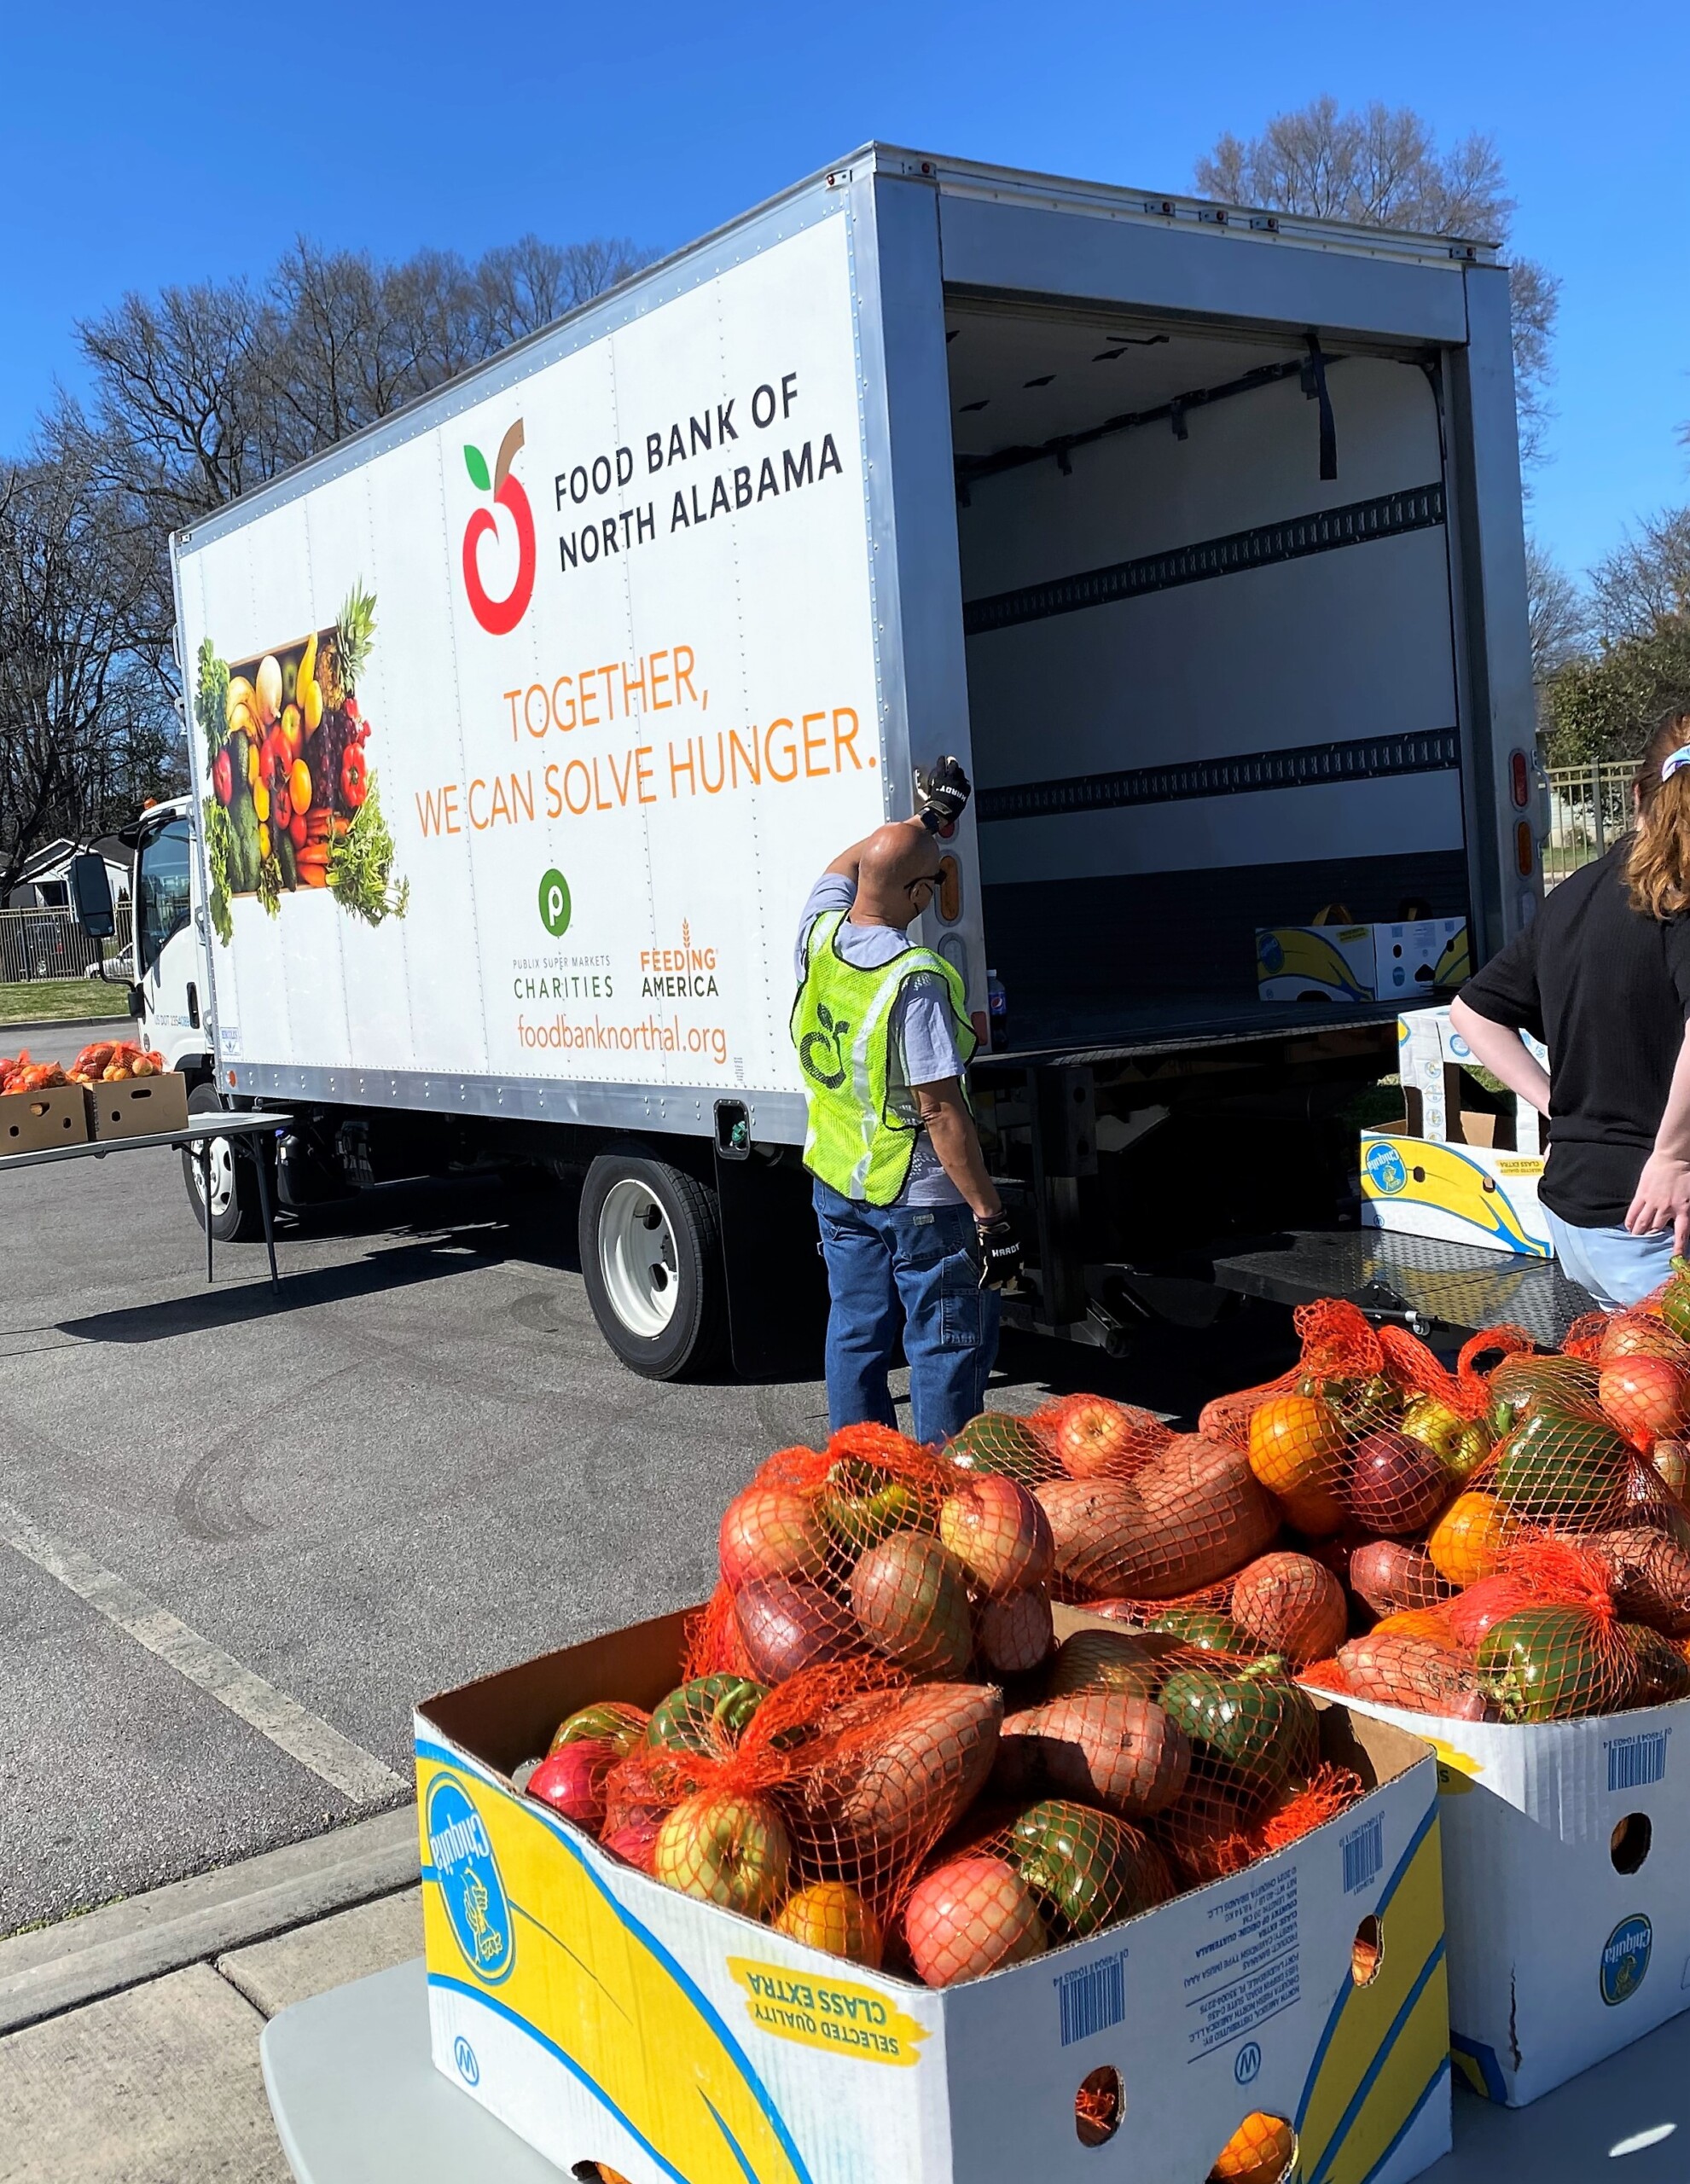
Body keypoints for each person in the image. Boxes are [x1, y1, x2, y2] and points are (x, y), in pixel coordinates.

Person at [793, 758, 1021, 1443]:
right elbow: (940, 1111)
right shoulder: (912, 978)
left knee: (856, 1334)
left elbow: (847, 863)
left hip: (838, 1182)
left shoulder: (819, 933)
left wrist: (923, 822)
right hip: (918, 1198)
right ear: (921, 893)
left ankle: (863, 1480)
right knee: (944, 1346)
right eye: (928, 885)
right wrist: (991, 1216)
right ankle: (943, 1497)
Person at [1450, 708, 1690, 1307]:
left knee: (1630, 1397)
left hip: (1574, 1216)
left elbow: (1471, 1012)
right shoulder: (1680, 898)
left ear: (1635, 792)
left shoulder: (1572, 895)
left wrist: (1556, 1108)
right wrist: (1673, 1154)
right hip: (1655, 1224)